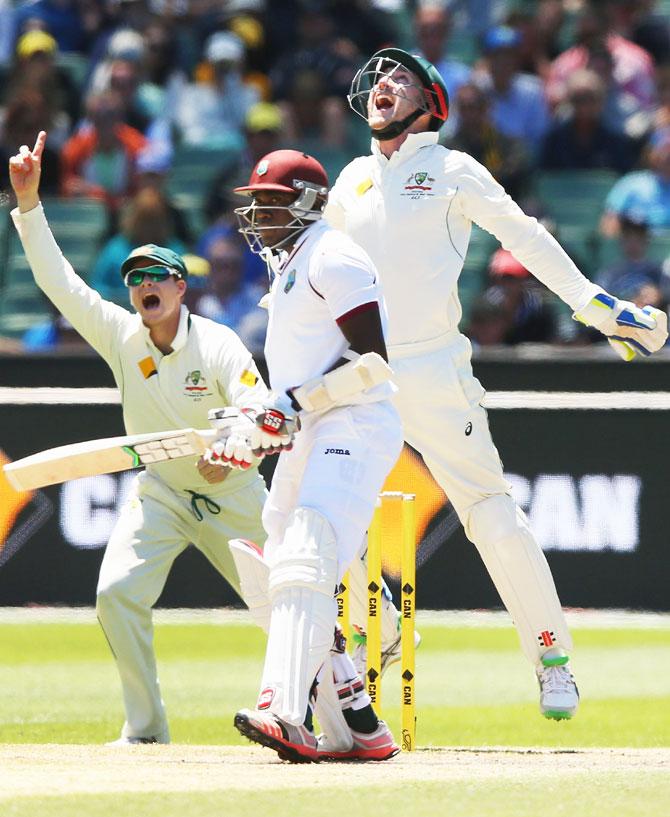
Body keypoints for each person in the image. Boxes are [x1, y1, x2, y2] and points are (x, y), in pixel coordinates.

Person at [325, 47, 668, 721]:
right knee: (319, 506)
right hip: (361, 369)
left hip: (431, 368)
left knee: (490, 513)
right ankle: (385, 630)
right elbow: (321, 270)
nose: (384, 84)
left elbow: (526, 237)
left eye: (402, 77)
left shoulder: (452, 169)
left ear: (433, 104)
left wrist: (598, 307)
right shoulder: (352, 179)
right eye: (380, 76)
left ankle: (552, 660)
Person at [8, 130, 270, 745]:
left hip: (233, 493)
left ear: (182, 286)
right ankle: (147, 729)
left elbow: (258, 407)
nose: (142, 285)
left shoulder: (219, 343)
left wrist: (233, 445)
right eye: (133, 279)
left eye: (156, 276)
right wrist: (28, 203)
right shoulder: (123, 336)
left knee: (289, 608)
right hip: (163, 493)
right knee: (116, 594)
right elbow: (61, 285)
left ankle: (365, 665)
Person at [206, 148, 404, 762]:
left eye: (272, 201)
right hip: (315, 424)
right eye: (256, 201)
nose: (259, 212)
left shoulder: (334, 253)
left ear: (310, 202)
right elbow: (297, 377)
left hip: (358, 420)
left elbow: (373, 360)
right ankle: (356, 725)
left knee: (305, 551)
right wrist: (253, 422)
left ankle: (285, 714)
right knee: (271, 563)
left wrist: (291, 403)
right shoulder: (288, 261)